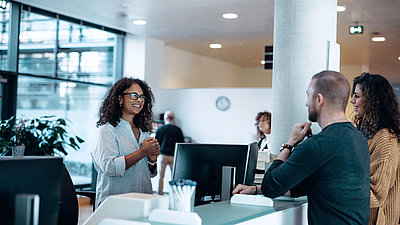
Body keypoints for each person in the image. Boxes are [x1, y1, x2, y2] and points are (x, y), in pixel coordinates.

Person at [232, 70, 370, 225]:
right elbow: (305, 186)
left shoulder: (317, 145)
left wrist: (289, 143)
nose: (306, 102)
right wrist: (256, 189)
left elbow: (271, 186)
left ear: (319, 99)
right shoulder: (359, 139)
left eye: (308, 96)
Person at [91, 77, 160, 208]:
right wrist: (142, 152)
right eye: (134, 96)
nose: (139, 100)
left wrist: (151, 160)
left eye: (142, 97)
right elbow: (110, 167)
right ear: (120, 99)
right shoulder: (108, 129)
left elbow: (148, 173)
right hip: (115, 203)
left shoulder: (143, 131)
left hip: (143, 201)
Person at [350, 73, 400, 225]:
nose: (352, 100)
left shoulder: (385, 139)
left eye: (357, 96)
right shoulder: (367, 133)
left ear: (373, 100)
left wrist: (332, 185)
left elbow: (376, 194)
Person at [155, 111, 184, 195]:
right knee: (174, 176)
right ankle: (174, 193)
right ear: (173, 118)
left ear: (165, 118)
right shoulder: (178, 130)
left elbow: (156, 143)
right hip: (173, 156)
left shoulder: (161, 129)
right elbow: (181, 144)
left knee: (161, 176)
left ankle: (160, 193)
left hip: (163, 156)